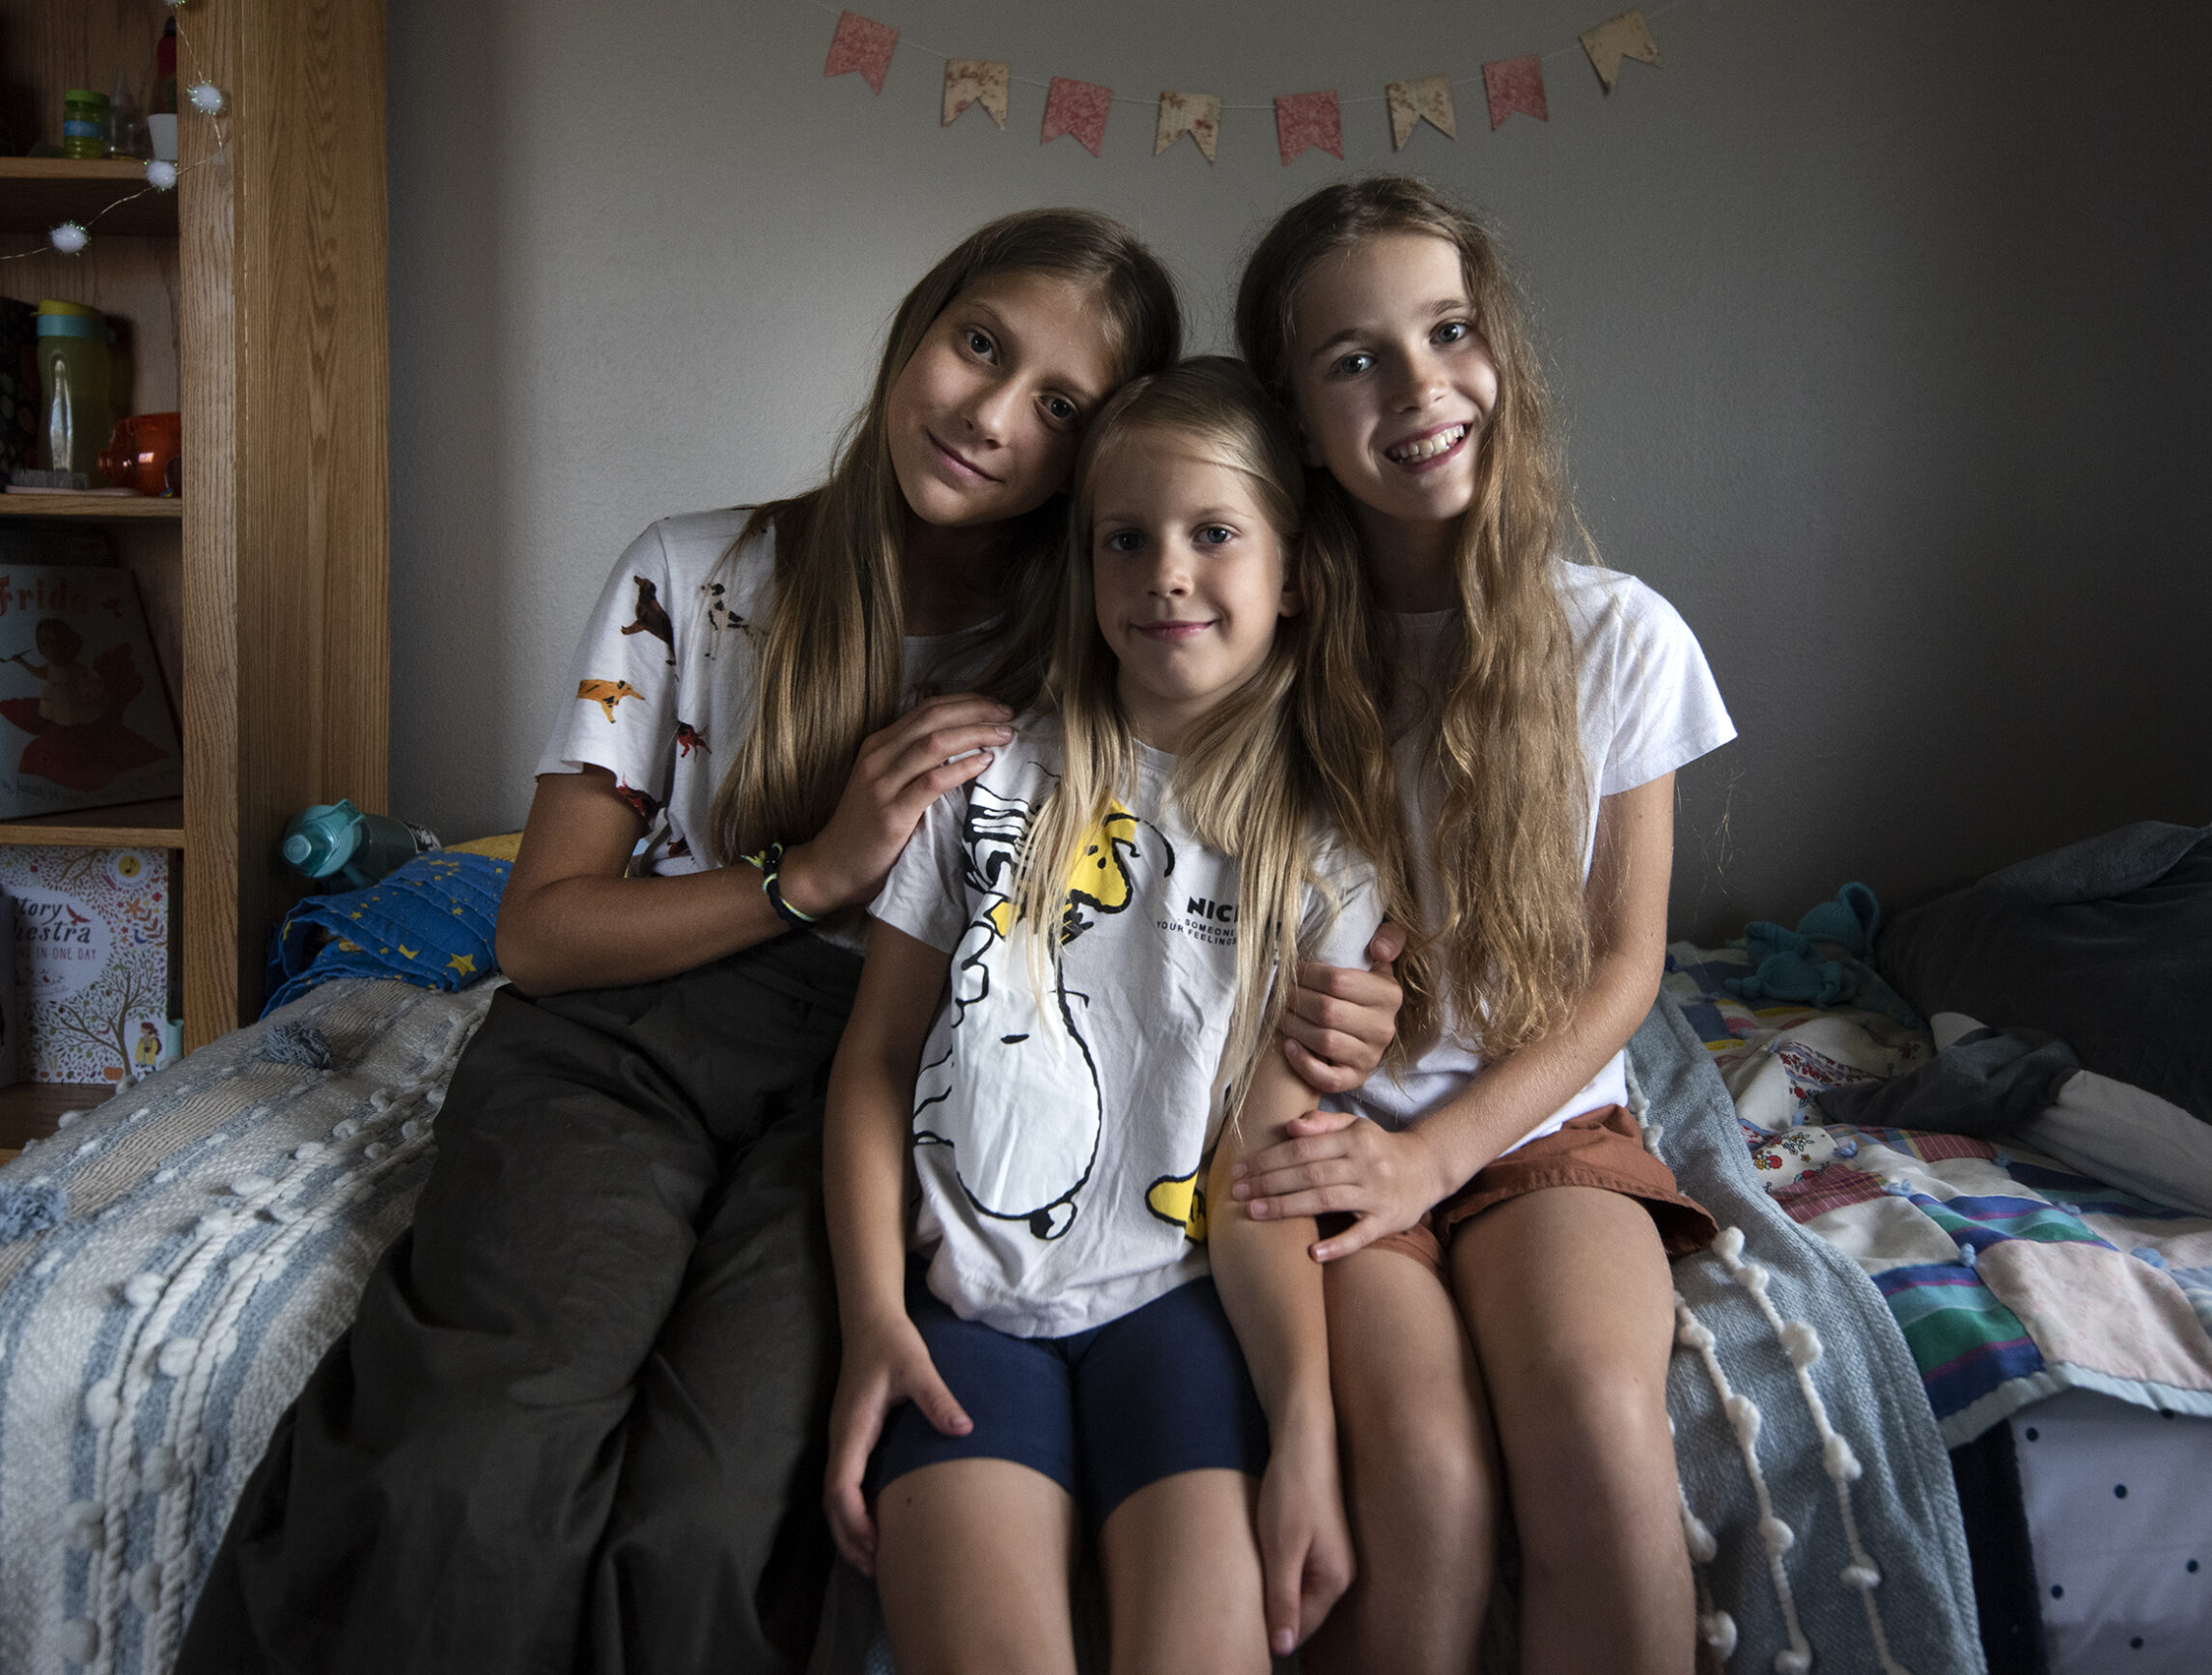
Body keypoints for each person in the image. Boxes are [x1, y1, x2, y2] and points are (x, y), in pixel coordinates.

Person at [179, 211, 1403, 1675]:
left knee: (716, 1510)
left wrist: (1354, 1005)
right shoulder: (692, 577)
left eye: (1061, 406)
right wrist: (810, 872)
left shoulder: (1085, 639)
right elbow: (543, 930)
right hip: (626, 1040)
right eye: (979, 345)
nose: (994, 413)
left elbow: (1213, 874)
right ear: (919, 327)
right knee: (477, 1456)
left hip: (841, 1092)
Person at [823, 356, 1414, 1674]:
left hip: (1183, 1319)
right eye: (1125, 539)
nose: (1165, 573)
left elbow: (1260, 1175)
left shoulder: (1327, 859)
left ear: (1293, 572)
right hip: (965, 1315)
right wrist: (875, 1321)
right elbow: (871, 1066)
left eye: (1214, 534)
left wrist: (1305, 1433)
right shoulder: (980, 782)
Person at [1230, 177, 1738, 1675]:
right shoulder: (1256, 647)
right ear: (1296, 416)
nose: (1418, 386)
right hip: (1328, 1140)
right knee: (1428, 1489)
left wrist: (1444, 1152)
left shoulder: (1619, 633)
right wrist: (1292, 1022)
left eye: (1448, 332)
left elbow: (1626, 965)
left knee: (1596, 1428)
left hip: (1537, 1131)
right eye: (1354, 359)